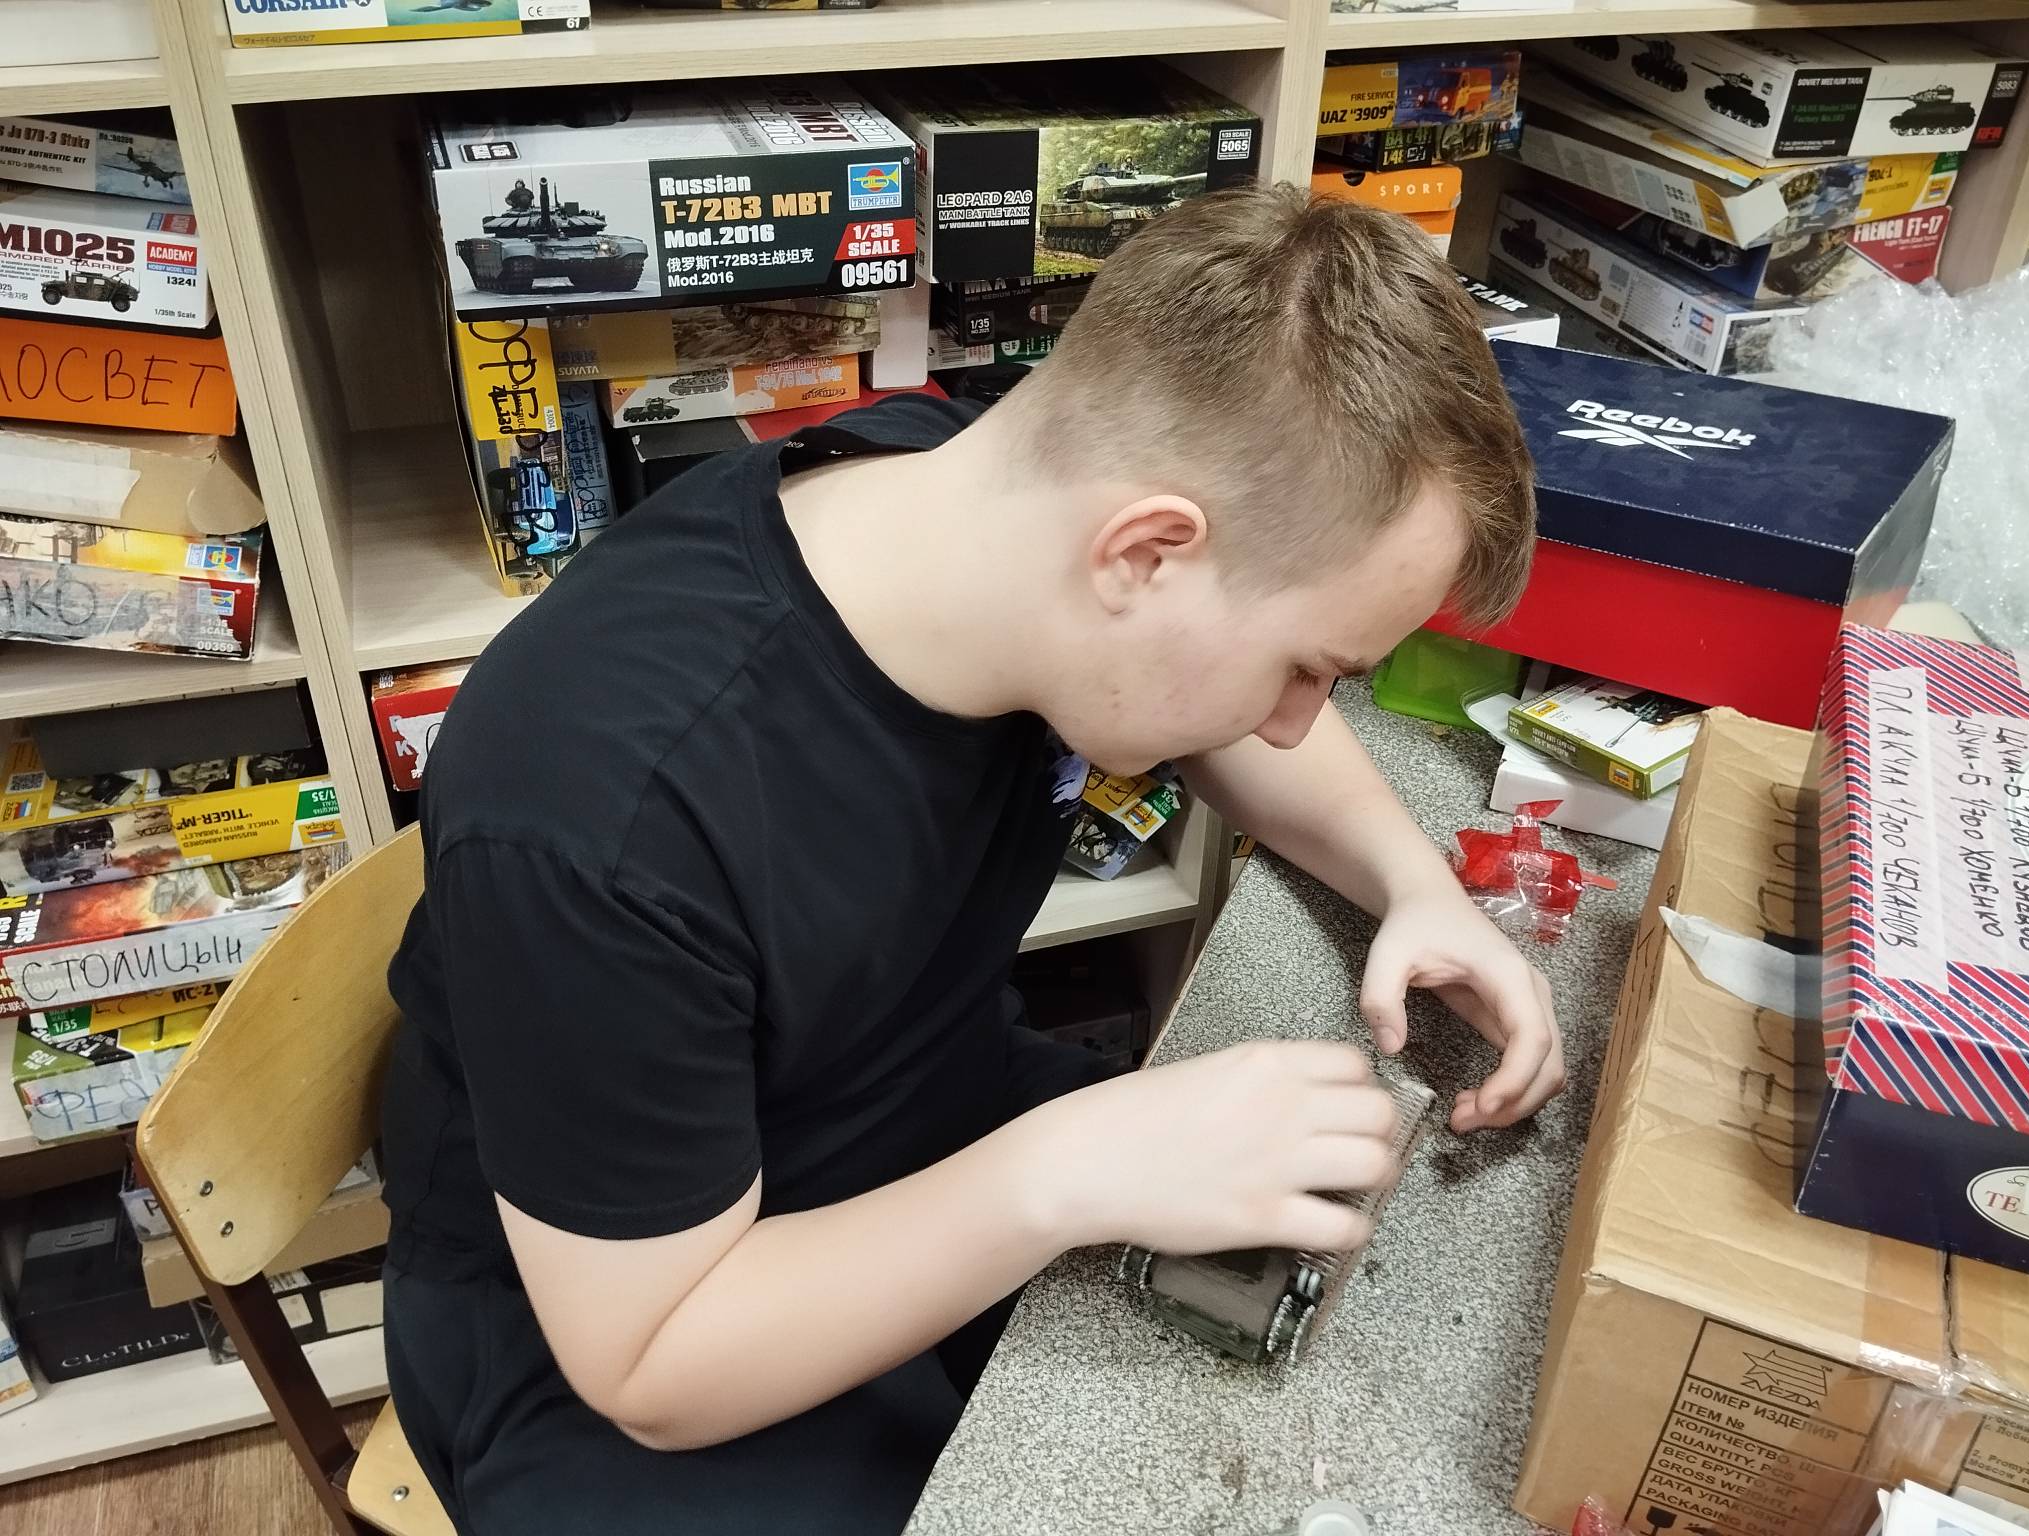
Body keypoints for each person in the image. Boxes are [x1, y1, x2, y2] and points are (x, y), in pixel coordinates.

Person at [379, 183, 1555, 1536]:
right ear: (1146, 554)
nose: (1297, 722)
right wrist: (1065, 1173)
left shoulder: (987, 493)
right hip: (628, 1318)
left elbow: (1233, 707)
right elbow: (649, 1367)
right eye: (1307, 668)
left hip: (914, 1110)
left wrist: (1416, 886)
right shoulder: (606, 814)